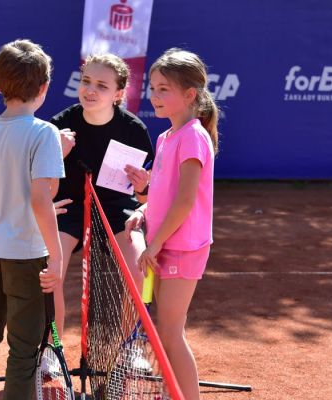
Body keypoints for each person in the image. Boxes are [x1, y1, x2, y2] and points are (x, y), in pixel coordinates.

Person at [0, 39, 64, 400]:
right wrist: (57, 254)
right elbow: (40, 196)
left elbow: (13, 190)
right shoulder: (44, 133)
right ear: (44, 88)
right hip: (26, 255)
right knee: (23, 349)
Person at [124, 48, 219, 400]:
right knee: (164, 331)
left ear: (189, 95)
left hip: (181, 247)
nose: (154, 95)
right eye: (153, 87)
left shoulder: (194, 136)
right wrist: (143, 211)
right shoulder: (166, 137)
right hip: (163, 242)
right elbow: (163, 196)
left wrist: (155, 243)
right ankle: (172, 393)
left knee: (171, 332)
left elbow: (186, 200)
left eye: (164, 89)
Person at [49, 53, 154, 338]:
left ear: (119, 93)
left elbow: (146, 199)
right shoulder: (58, 126)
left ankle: (130, 347)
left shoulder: (134, 130)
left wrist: (143, 186)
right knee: (49, 271)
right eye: (86, 81)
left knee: (140, 268)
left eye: (102, 85)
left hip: (117, 207)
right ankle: (50, 349)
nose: (90, 90)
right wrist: (56, 154)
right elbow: (40, 185)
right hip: (70, 207)